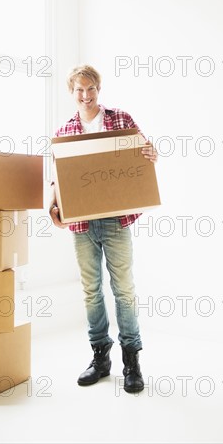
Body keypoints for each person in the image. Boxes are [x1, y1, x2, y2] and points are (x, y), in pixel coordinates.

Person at [49, 65, 158, 393]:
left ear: (99, 88)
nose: (85, 95)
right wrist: (52, 206)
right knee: (91, 290)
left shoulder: (120, 119)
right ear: (72, 92)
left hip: (115, 218)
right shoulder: (65, 130)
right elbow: (57, 176)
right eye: (79, 90)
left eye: (90, 88)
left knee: (123, 289)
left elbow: (143, 153)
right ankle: (100, 356)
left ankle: (131, 360)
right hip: (81, 222)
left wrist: (151, 152)